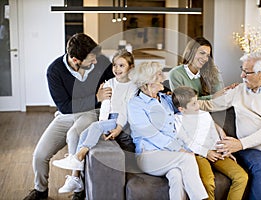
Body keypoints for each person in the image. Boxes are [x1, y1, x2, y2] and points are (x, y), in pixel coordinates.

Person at [23, 33, 114, 200]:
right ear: (75, 60)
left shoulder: (101, 62)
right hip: (66, 115)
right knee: (40, 155)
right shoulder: (54, 70)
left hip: (91, 113)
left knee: (74, 135)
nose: (95, 61)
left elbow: (118, 82)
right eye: (91, 59)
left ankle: (78, 191)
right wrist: (95, 98)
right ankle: (40, 192)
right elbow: (64, 106)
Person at [197, 52, 261, 200]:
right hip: (250, 148)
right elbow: (210, 104)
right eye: (242, 69)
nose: (241, 75)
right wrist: (183, 101)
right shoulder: (238, 90)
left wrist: (240, 144)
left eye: (247, 72)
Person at [51, 50, 137, 190]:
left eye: (122, 65)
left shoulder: (132, 87)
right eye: (115, 65)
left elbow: (125, 111)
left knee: (95, 128)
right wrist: (102, 122)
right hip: (108, 118)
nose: (116, 69)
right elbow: (105, 105)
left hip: (120, 119)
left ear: (131, 67)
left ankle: (79, 156)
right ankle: (75, 177)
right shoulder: (109, 83)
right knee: (85, 132)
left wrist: (119, 128)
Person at [127, 61, 208, 200]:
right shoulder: (135, 105)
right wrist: (178, 148)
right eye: (159, 75)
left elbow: (187, 105)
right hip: (148, 155)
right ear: (148, 82)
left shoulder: (165, 99)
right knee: (187, 158)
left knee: (176, 175)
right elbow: (152, 135)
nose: (163, 77)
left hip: (168, 155)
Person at [172, 86, 248, 200]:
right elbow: (187, 142)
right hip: (198, 154)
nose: (198, 105)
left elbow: (213, 135)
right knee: (208, 182)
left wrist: (224, 149)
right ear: (181, 109)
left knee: (241, 177)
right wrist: (205, 152)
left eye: (197, 101)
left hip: (216, 151)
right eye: (193, 104)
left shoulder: (204, 114)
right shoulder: (177, 121)